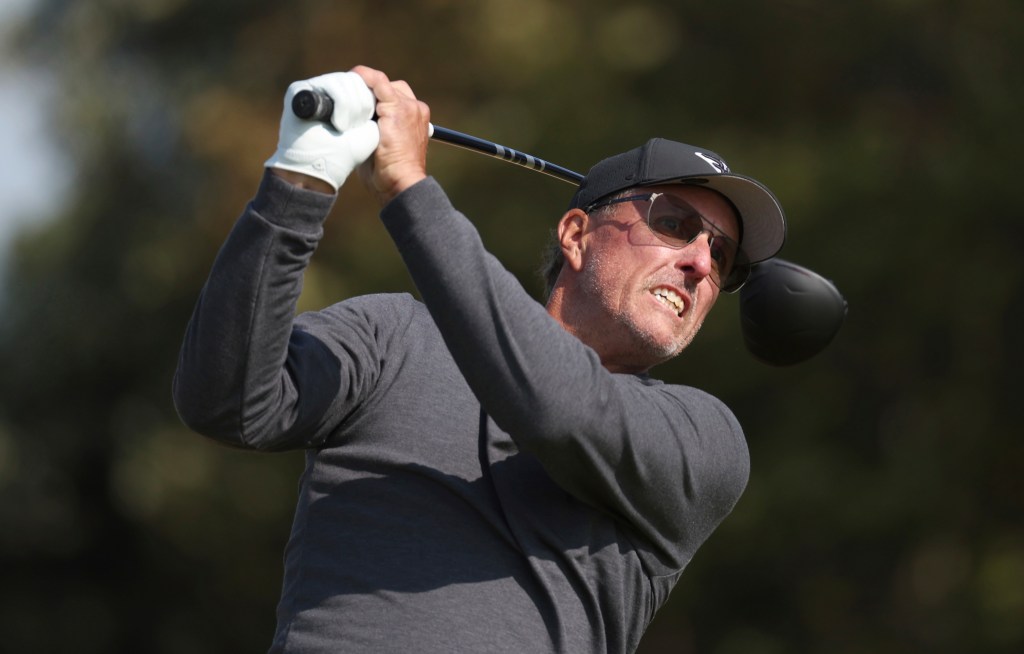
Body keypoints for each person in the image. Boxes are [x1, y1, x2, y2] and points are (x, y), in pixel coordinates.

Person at [172, 65, 786, 654]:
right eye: (675, 224)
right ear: (576, 235)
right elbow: (226, 403)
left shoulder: (705, 440)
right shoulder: (395, 334)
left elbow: (559, 407)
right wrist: (297, 183)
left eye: (722, 255)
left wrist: (408, 190)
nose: (701, 264)